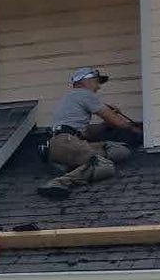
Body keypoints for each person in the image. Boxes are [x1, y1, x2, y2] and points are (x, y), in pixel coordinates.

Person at [39, 67, 141, 199]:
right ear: (83, 81)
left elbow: (88, 133)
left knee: (121, 151)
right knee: (105, 167)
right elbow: (118, 123)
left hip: (62, 143)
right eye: (96, 81)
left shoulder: (71, 99)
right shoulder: (83, 94)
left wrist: (106, 124)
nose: (98, 87)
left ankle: (71, 166)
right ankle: (58, 182)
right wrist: (135, 130)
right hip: (67, 143)